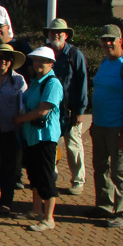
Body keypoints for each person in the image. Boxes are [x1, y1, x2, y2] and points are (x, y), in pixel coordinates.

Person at [89, 24, 123, 228]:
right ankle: (104, 204)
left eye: (111, 39)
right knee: (100, 167)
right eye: (104, 40)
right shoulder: (104, 62)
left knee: (120, 171)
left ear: (120, 40)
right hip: (100, 125)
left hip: (120, 128)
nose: (107, 43)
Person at [13, 48, 64, 231]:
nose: (38, 64)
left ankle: (49, 218)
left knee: (45, 175)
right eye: (36, 60)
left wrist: (20, 119)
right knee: (34, 174)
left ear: (51, 63)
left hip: (45, 136)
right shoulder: (35, 82)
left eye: (43, 61)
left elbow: (43, 110)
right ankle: (36, 210)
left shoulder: (52, 83)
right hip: (32, 135)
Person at [44, 18, 89, 195]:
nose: (55, 35)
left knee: (73, 145)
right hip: (51, 109)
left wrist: (80, 110)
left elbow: (83, 81)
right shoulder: (46, 53)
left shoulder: (75, 55)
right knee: (51, 144)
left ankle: (78, 180)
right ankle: (51, 177)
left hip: (70, 109)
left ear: (66, 35)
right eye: (52, 32)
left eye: (59, 33)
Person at [0, 44, 27, 215]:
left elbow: (23, 103)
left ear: (10, 62)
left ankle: (6, 201)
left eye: (6, 58)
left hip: (12, 130)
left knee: (10, 168)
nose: (2, 61)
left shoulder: (19, 80)